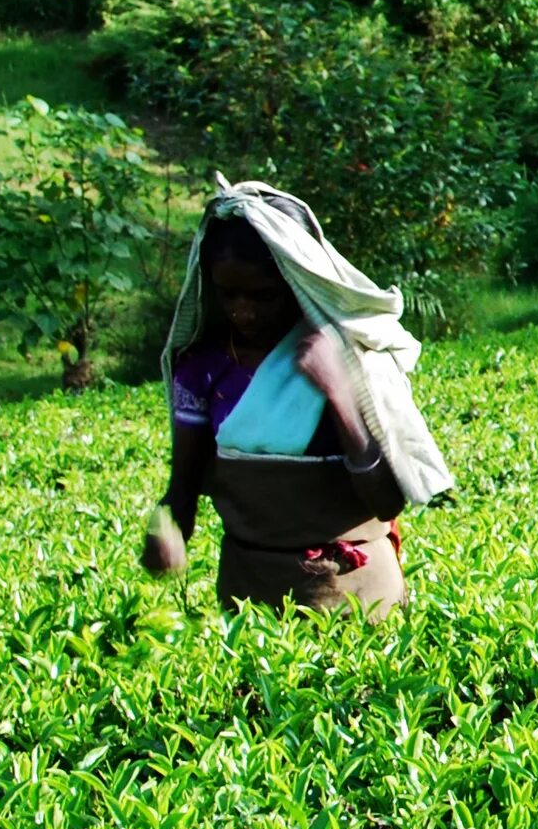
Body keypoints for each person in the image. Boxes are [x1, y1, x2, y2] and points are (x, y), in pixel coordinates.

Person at [143, 183, 457, 614]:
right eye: (228, 294)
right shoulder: (204, 369)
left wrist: (338, 391)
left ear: (299, 280)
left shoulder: (353, 357)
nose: (244, 311)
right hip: (248, 594)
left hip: (355, 595)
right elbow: (183, 493)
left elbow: (386, 501)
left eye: (262, 295)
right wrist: (165, 535)